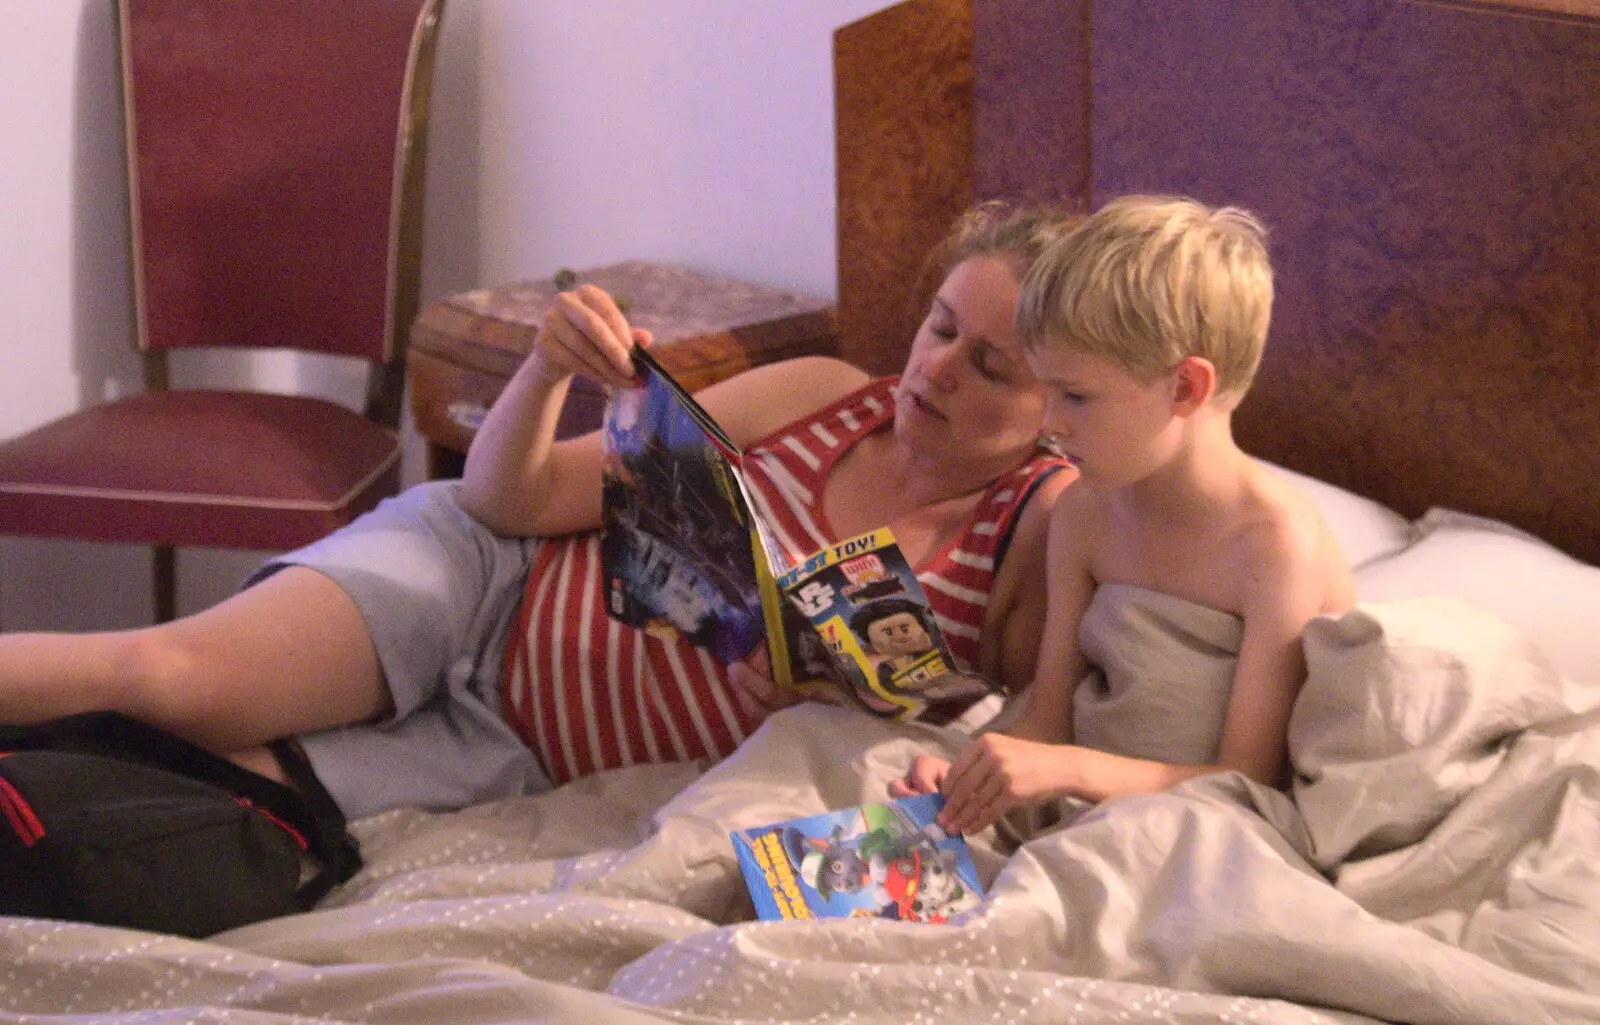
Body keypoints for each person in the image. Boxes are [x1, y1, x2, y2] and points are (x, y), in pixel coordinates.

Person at [0, 201, 1078, 820]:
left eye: (989, 363)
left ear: (1059, 402)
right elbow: (505, 497)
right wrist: (545, 374)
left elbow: (1023, 741)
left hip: (518, 751)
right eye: (938, 327)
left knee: (183, 782)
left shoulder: (1039, 522)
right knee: (167, 680)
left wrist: (833, 697)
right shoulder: (825, 394)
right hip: (478, 577)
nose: (934, 370)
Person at [891, 195, 1355, 836]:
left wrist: (1068, 772)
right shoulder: (1084, 513)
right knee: (821, 756)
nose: (1050, 424)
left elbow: (1247, 780)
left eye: (1075, 396)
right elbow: (1046, 721)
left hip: (1192, 832)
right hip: (1075, 807)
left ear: (1186, 388)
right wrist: (972, 776)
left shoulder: (1274, 548)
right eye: (1046, 389)